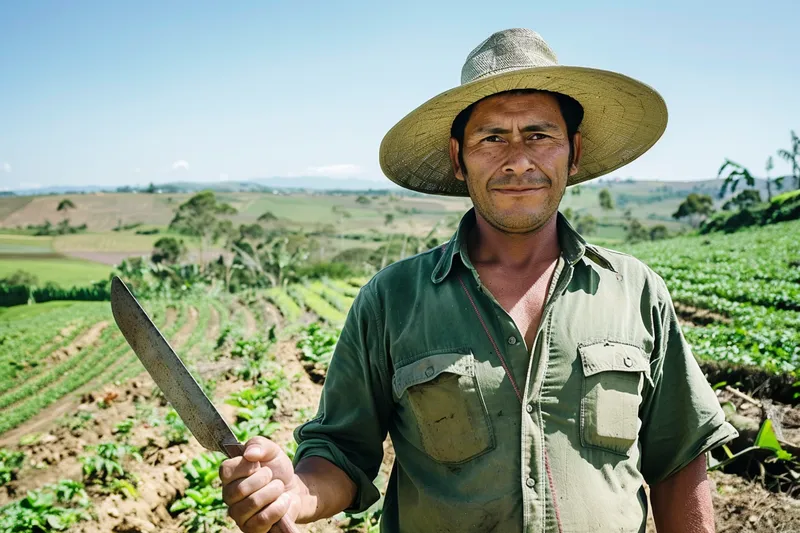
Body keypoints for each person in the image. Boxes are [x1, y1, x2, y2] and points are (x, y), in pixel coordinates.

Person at [219, 28, 738, 533]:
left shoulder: (634, 290)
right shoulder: (392, 299)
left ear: (573, 152)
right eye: (492, 138)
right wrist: (293, 492)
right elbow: (341, 453)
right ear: (458, 158)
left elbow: (678, 459)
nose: (518, 159)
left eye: (540, 134)